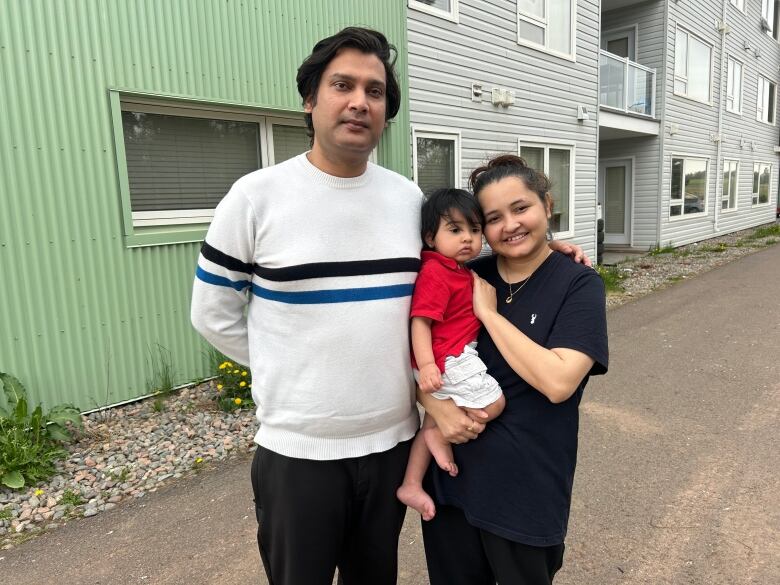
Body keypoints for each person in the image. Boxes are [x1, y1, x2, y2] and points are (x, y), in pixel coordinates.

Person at [191, 26, 590, 585]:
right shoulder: (256, 197)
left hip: (391, 445)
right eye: (342, 85)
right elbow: (212, 314)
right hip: (300, 450)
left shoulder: (405, 200)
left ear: (386, 110)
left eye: (374, 91)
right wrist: (296, 371)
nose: (359, 101)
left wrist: (551, 253)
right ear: (310, 100)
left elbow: (459, 268)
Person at [419, 154, 609, 585]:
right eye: (493, 218)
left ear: (547, 204)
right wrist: (433, 403)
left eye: (521, 208)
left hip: (526, 494)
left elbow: (559, 382)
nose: (510, 225)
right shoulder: (465, 274)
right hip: (453, 488)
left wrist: (489, 315)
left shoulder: (578, 284)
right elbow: (413, 349)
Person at [397, 188, 506, 522]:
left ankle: (411, 483)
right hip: (445, 359)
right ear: (431, 237)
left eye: (474, 230)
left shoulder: (456, 269)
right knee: (493, 404)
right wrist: (428, 365)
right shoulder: (436, 273)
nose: (468, 239)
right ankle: (435, 433)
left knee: (437, 414)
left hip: (452, 357)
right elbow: (420, 321)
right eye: (455, 230)